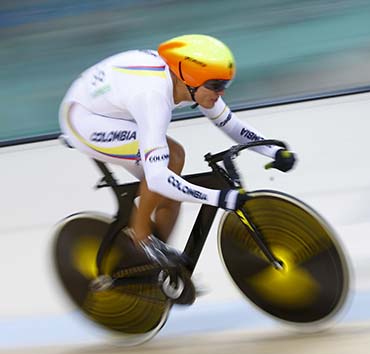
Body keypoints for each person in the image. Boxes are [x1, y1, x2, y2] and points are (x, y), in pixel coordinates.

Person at [59, 34, 295, 300]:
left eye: (225, 84)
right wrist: (218, 197)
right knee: (170, 161)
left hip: (114, 107)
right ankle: (142, 236)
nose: (222, 93)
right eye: (216, 85)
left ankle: (160, 268)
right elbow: (159, 178)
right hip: (84, 120)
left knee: (172, 178)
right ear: (188, 80)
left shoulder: (190, 83)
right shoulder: (153, 98)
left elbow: (230, 124)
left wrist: (274, 150)